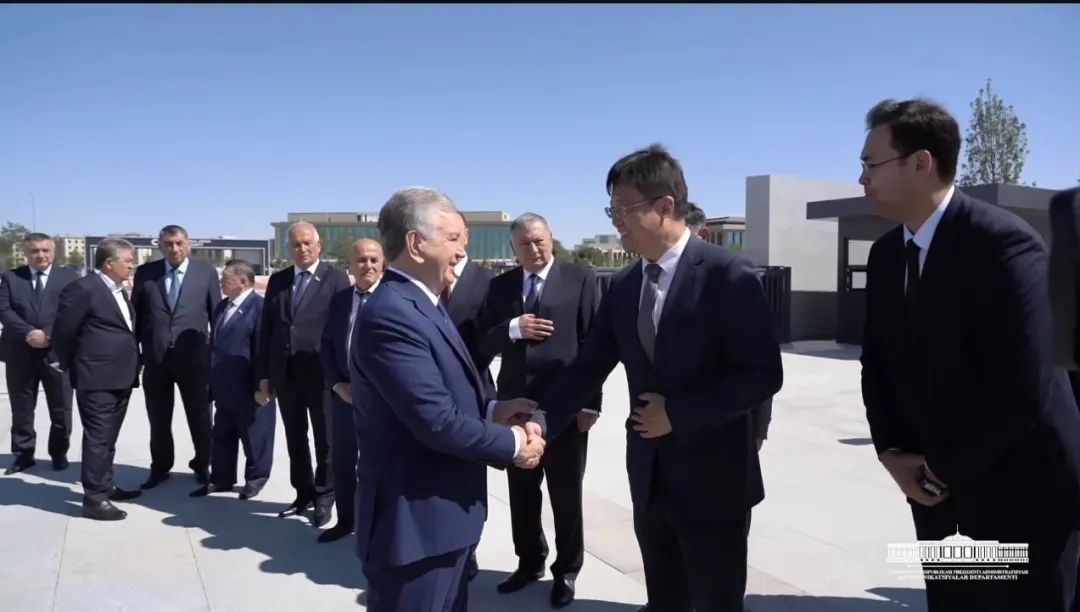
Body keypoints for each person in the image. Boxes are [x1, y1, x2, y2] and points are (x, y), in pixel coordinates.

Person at [535, 145, 784, 612]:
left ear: (665, 205)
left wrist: (679, 414)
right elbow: (589, 366)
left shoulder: (727, 275)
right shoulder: (625, 284)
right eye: (611, 210)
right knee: (665, 600)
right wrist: (541, 423)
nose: (616, 221)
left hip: (715, 482)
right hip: (650, 478)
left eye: (623, 209)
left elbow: (763, 373)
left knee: (715, 601)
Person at [858, 98, 1080, 611]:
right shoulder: (886, 254)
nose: (862, 178)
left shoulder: (1002, 244)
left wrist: (937, 469)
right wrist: (890, 453)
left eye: (871, 163)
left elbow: (1023, 388)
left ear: (921, 163)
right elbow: (879, 365)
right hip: (939, 500)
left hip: (1023, 498)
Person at [350, 186, 545, 612]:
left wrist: (493, 410)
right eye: (454, 238)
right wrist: (515, 444)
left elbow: (437, 392)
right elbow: (436, 422)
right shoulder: (391, 314)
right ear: (416, 244)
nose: (461, 252)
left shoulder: (423, 303)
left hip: (444, 522)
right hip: (415, 527)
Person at [476, 212, 600, 607]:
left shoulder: (580, 278)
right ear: (513, 248)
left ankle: (567, 571)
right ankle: (529, 562)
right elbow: (481, 343)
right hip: (517, 409)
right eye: (525, 243)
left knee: (566, 495)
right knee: (522, 491)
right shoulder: (500, 287)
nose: (534, 248)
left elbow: (595, 344)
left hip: (566, 408)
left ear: (551, 239)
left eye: (539, 240)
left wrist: (590, 404)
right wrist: (512, 328)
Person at [257, 222, 350, 526]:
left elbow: (342, 328)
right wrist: (264, 375)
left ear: (319, 245)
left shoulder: (335, 279)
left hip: (322, 376)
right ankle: (303, 492)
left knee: (326, 440)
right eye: (296, 244)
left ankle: (325, 495)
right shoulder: (278, 280)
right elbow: (267, 329)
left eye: (308, 242)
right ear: (289, 249)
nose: (303, 248)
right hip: (286, 375)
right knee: (295, 438)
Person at [51, 237, 143, 520]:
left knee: (108, 438)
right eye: (128, 261)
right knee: (98, 439)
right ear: (109, 262)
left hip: (121, 376)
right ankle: (94, 500)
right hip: (96, 378)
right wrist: (71, 364)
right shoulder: (83, 289)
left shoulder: (118, 289)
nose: (132, 265)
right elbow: (63, 332)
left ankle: (106, 485)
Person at [132, 225, 221, 490]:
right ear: (160, 246)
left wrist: (217, 357)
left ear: (188, 244)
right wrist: (135, 355)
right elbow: (136, 316)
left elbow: (216, 316)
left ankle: (203, 464)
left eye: (179, 243)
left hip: (195, 359)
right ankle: (160, 467)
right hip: (156, 359)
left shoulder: (205, 273)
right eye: (169, 244)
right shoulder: (146, 273)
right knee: (158, 418)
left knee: (201, 417)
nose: (175, 248)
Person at [685, 204, 773, 451]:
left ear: (702, 235)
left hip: (728, 430)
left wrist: (759, 429)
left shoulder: (732, 278)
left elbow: (760, 363)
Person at [190, 259, 276, 500]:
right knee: (222, 436)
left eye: (225, 279)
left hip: (249, 387)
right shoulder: (222, 307)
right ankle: (221, 478)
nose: (221, 283)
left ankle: (255, 478)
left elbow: (263, 350)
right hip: (224, 386)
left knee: (255, 437)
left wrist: (262, 384)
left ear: (243, 281)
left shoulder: (260, 307)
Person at [440, 211, 496, 580]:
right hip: (432, 393)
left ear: (466, 236)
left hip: (473, 393)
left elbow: (492, 338)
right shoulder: (426, 280)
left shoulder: (488, 282)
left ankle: (469, 547)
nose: (452, 242)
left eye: (455, 235)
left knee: (470, 477)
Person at [317, 238, 384, 543]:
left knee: (378, 465)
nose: (367, 265)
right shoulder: (341, 300)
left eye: (373, 260)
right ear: (350, 266)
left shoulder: (394, 298)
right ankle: (346, 520)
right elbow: (326, 345)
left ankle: (378, 527)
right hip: (344, 396)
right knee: (342, 460)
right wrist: (336, 384)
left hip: (382, 400)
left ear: (382, 264)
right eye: (361, 260)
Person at [0, 233, 78, 474]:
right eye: (35, 251)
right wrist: (30, 333)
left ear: (53, 251)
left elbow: (71, 311)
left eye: (45, 250)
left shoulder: (68, 277)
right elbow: (4, 310)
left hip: (55, 353)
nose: (41, 255)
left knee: (61, 407)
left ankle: (59, 453)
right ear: (26, 253)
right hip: (19, 352)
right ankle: (23, 454)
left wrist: (47, 335)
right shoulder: (11, 277)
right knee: (22, 407)